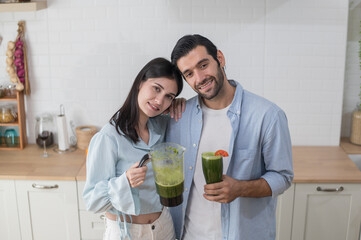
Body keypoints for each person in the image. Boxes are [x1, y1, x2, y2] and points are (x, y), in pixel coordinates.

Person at [166, 34, 294, 240]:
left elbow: (283, 177)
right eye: (189, 74)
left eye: (203, 65)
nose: (199, 78)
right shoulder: (179, 116)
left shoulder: (267, 115)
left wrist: (240, 188)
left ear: (220, 58)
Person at [83, 57, 184, 240]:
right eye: (156, 89)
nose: (160, 101)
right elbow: (92, 201)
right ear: (140, 82)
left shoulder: (161, 126)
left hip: (164, 227)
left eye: (169, 96)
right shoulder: (108, 137)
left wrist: (181, 104)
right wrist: (125, 181)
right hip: (128, 233)